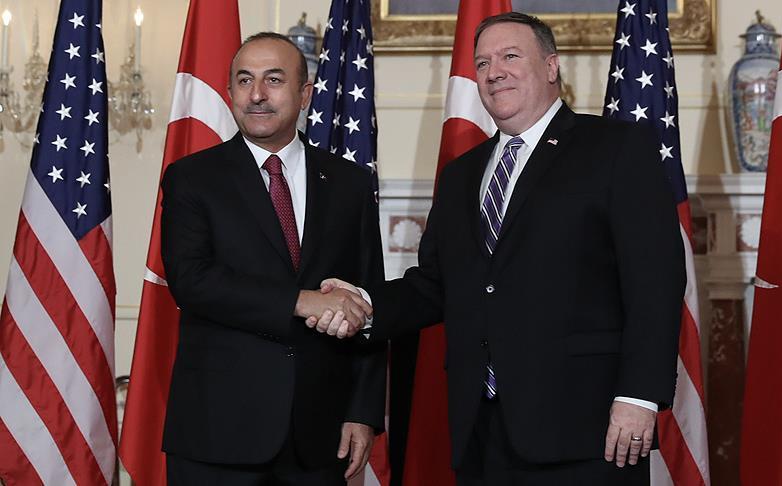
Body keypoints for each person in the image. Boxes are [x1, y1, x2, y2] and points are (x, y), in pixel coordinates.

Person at [309, 12, 685, 485]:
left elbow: (655, 282)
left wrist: (638, 396)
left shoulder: (614, 148)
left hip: (589, 428)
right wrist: (363, 304)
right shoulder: (462, 174)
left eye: (510, 56)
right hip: (482, 430)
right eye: (483, 63)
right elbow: (434, 286)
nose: (494, 72)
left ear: (551, 66)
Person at [159, 32, 385, 485]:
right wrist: (300, 301)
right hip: (218, 434)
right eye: (245, 80)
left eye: (274, 80)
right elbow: (192, 280)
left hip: (319, 437)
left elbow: (367, 300)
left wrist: (362, 412)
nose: (257, 94)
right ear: (230, 93)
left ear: (305, 94)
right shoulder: (192, 178)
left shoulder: (350, 184)